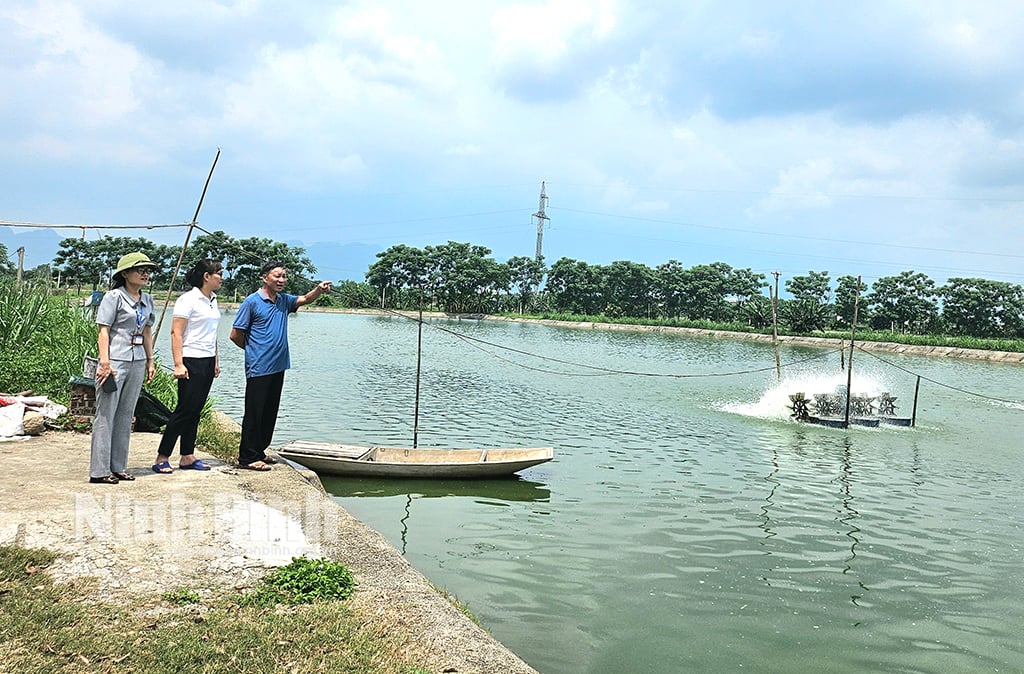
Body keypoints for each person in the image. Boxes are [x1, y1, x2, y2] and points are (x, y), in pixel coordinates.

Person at [229, 261, 331, 471]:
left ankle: (259, 450)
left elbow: (303, 299)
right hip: (259, 366)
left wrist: (319, 290)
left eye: (284, 276)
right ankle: (247, 457)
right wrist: (253, 351)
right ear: (265, 277)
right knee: (255, 412)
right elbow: (235, 335)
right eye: (277, 276)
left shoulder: (283, 301)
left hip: (279, 365)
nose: (282, 280)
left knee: (269, 411)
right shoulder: (252, 302)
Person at [90, 252, 157, 484]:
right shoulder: (114, 297)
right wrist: (105, 362)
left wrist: (150, 360)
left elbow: (147, 331)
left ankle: (118, 466)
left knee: (126, 414)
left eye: (148, 270)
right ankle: (99, 470)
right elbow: (103, 331)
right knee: (106, 414)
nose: (145, 273)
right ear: (125, 273)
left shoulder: (147, 300)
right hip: (115, 360)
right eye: (140, 269)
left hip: (138, 360)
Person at [153, 259, 224, 473]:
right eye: (218, 273)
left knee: (196, 410)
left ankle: (187, 455)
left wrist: (216, 361)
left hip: (207, 360)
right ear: (206, 276)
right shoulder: (188, 299)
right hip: (190, 359)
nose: (221, 277)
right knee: (184, 410)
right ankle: (162, 456)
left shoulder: (213, 299)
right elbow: (176, 332)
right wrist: (178, 364)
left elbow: (212, 334)